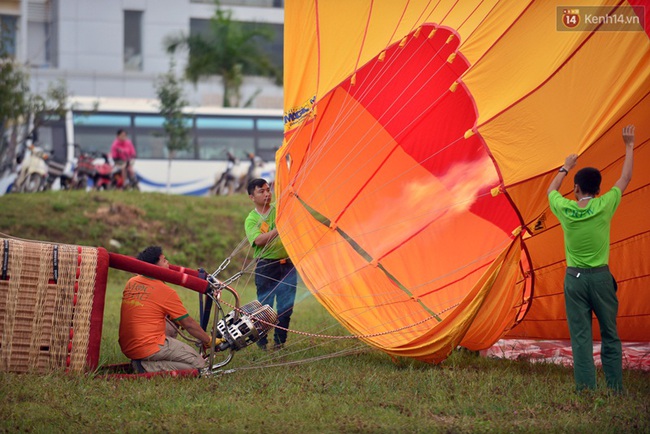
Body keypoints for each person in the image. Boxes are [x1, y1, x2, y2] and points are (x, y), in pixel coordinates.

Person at [547, 125, 635, 392]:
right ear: (598, 189)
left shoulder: (565, 209)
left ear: (575, 189)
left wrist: (565, 166)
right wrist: (629, 146)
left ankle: (586, 390)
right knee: (610, 334)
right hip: (600, 279)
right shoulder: (605, 204)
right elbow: (626, 178)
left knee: (581, 338)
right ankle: (615, 388)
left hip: (574, 280)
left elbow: (551, 190)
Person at [119, 246, 213, 373]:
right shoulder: (165, 291)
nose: (168, 262)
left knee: (172, 322)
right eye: (164, 260)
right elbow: (189, 324)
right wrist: (208, 340)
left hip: (128, 346)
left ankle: (147, 359)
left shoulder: (132, 282)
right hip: (146, 345)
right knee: (200, 365)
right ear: (154, 266)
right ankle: (145, 366)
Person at [244, 178, 297, 351]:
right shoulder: (251, 219)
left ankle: (280, 343)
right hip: (266, 266)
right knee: (265, 308)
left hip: (287, 265)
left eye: (268, 190)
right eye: (261, 191)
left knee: (286, 307)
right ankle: (262, 343)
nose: (267, 194)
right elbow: (258, 240)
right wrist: (278, 229)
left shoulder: (279, 210)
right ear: (252, 197)